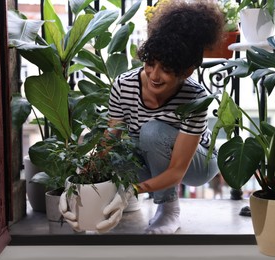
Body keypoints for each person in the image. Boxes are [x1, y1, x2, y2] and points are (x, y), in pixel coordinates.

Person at [60, 0, 225, 234]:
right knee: (114, 142)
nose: (154, 75)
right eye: (150, 63)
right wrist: (75, 183)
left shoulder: (195, 97)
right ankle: (116, 201)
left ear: (187, 70)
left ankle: (169, 209)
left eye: (166, 69)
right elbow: (110, 141)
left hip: (197, 165)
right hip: (153, 159)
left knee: (152, 131)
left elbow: (178, 170)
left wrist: (132, 190)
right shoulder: (124, 85)